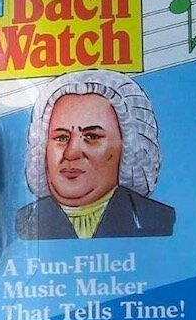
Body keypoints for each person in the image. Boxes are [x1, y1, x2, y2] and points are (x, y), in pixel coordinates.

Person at [15, 70, 175, 240]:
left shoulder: (157, 219)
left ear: (129, 147)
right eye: (61, 138)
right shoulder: (24, 222)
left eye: (91, 137)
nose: (71, 152)